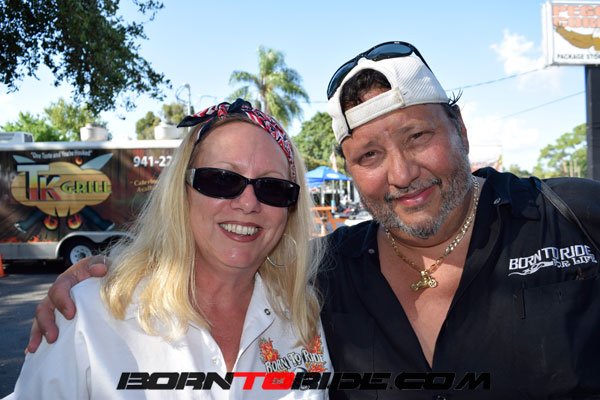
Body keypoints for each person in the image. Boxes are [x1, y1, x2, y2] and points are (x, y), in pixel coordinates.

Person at [26, 42, 600, 399]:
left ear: (461, 131)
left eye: (418, 136)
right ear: (350, 169)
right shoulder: (331, 274)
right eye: (369, 155)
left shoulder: (574, 217)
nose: (402, 173)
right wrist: (103, 277)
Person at [8, 99, 331, 399]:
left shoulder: (303, 320)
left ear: (290, 209)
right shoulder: (88, 315)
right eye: (221, 179)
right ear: (182, 190)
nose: (248, 203)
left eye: (273, 187)